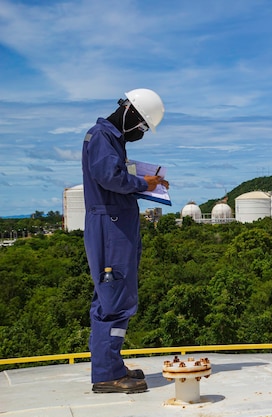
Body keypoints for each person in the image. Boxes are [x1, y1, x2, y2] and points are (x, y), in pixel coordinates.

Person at [82, 88, 167, 394]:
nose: (141, 133)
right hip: (111, 228)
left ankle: (111, 365)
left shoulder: (109, 139)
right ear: (131, 112)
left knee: (109, 297)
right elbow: (109, 177)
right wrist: (141, 182)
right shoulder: (102, 137)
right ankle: (107, 375)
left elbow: (113, 174)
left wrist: (147, 182)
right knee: (115, 300)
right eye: (143, 126)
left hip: (114, 226)